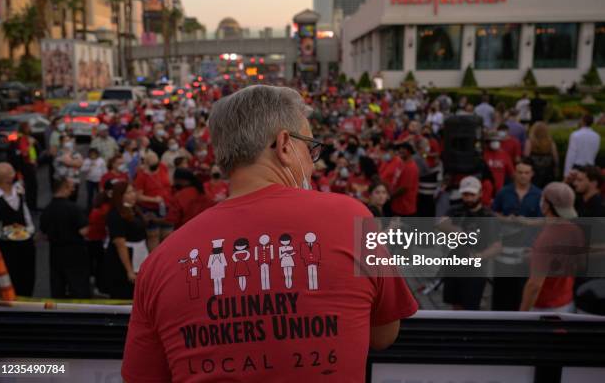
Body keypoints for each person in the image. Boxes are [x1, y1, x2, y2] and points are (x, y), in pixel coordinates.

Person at [122, 85, 418, 382]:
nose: (313, 163)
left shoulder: (161, 261)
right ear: (285, 145)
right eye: (310, 148)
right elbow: (383, 334)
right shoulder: (353, 219)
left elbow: (142, 375)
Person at [519, 182, 584, 312]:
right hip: (567, 302)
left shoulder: (546, 239)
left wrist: (522, 314)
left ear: (546, 205)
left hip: (545, 308)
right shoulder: (575, 230)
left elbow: (534, 285)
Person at [441, 176, 502, 310]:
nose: (468, 198)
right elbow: (440, 224)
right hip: (454, 263)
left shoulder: (488, 216)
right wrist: (455, 230)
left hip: (475, 269)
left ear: (480, 193)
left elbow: (497, 246)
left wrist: (478, 256)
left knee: (471, 307)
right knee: (455, 305)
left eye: (472, 194)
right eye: (465, 194)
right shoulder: (455, 210)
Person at [491, 159, 542, 311]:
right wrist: (506, 219)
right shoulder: (504, 192)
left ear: (532, 174)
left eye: (526, 173)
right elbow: (493, 213)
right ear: (514, 174)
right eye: (520, 172)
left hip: (525, 251)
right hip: (504, 252)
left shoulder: (539, 194)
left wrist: (528, 222)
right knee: (501, 293)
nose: (523, 176)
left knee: (520, 292)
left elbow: (545, 219)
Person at [40, 177, 91, 298]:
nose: (73, 189)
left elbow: (43, 232)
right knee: (78, 285)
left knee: (58, 284)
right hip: (75, 252)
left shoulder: (47, 209)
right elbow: (84, 231)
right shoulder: (74, 209)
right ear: (64, 188)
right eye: (71, 186)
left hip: (55, 252)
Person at [0, 162, 35, 297]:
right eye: (11, 173)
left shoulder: (18, 189)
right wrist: (6, 233)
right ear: (5, 179)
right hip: (5, 249)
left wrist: (30, 229)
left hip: (25, 245)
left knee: (28, 279)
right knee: (10, 283)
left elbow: (25, 211)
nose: (14, 175)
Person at [104, 182, 148, 299]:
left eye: (133, 191)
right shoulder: (115, 215)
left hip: (139, 252)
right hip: (124, 259)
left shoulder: (134, 209)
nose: (133, 195)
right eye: (128, 192)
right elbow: (120, 244)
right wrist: (129, 270)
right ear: (120, 196)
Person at [133, 151, 173, 252]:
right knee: (153, 236)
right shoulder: (142, 176)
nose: (156, 167)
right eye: (153, 165)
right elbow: (138, 196)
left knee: (168, 234)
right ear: (146, 164)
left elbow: (168, 183)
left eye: (156, 164)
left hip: (166, 205)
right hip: (150, 208)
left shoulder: (162, 167)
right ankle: (154, 261)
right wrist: (153, 199)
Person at [8, 122, 38, 211]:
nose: (30, 129)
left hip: (29, 165)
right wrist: (31, 144)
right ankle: (31, 207)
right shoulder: (22, 138)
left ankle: (31, 206)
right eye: (28, 127)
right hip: (26, 166)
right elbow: (24, 152)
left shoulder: (25, 138)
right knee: (31, 187)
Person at [524, 122, 558, 188]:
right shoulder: (551, 143)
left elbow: (526, 156)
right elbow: (555, 158)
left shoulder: (530, 142)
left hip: (534, 173)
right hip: (548, 172)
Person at [390, 143, 419, 217]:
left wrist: (389, 196)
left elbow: (404, 188)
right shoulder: (401, 163)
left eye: (403, 149)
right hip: (397, 204)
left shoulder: (411, 167)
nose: (400, 150)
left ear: (409, 152)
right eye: (400, 149)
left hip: (405, 207)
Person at [53, 135, 83, 202]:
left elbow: (80, 163)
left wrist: (71, 162)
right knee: (63, 202)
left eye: (69, 140)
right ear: (61, 142)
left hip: (74, 181)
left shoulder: (75, 153)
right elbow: (66, 162)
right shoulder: (59, 153)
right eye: (65, 141)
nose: (68, 142)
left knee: (73, 201)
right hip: (63, 184)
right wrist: (74, 162)